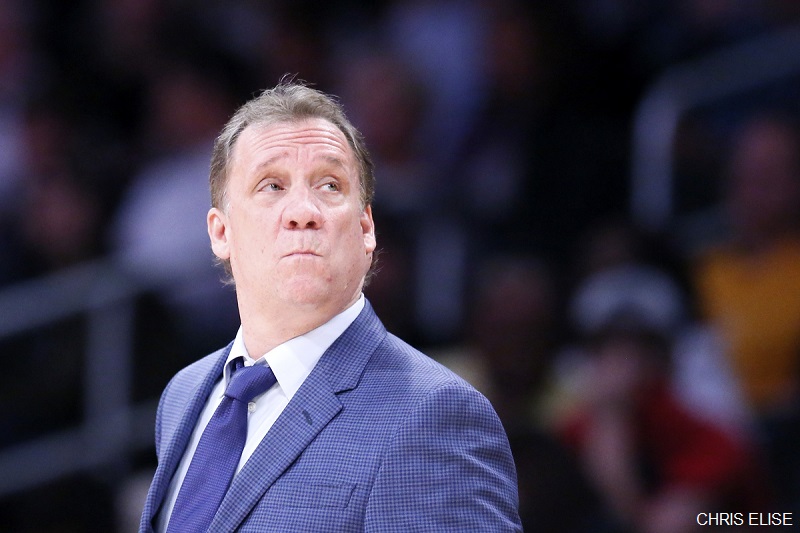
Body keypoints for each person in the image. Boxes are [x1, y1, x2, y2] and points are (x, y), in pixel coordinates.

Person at [138, 80, 522, 532]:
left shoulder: (433, 414)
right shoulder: (184, 396)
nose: (304, 209)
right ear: (221, 232)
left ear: (365, 229)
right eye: (272, 184)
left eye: (329, 184)